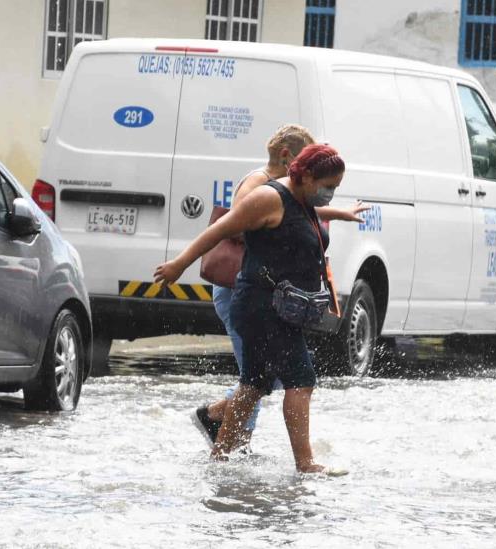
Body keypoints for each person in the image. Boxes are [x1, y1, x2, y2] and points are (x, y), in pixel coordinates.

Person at [155, 144, 349, 473]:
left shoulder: (303, 201)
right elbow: (218, 230)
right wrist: (178, 265)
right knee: (301, 379)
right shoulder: (268, 198)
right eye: (328, 186)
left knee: (254, 383)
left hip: (279, 306)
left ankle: (221, 456)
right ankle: (306, 464)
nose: (330, 193)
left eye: (336, 187)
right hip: (262, 306)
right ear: (305, 176)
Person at [191, 125, 367, 451]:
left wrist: (337, 214)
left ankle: (223, 439)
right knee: (267, 379)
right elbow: (241, 220)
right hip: (248, 291)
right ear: (288, 157)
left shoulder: (286, 191)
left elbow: (292, 209)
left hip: (268, 296)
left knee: (258, 380)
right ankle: (234, 438)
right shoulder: (260, 186)